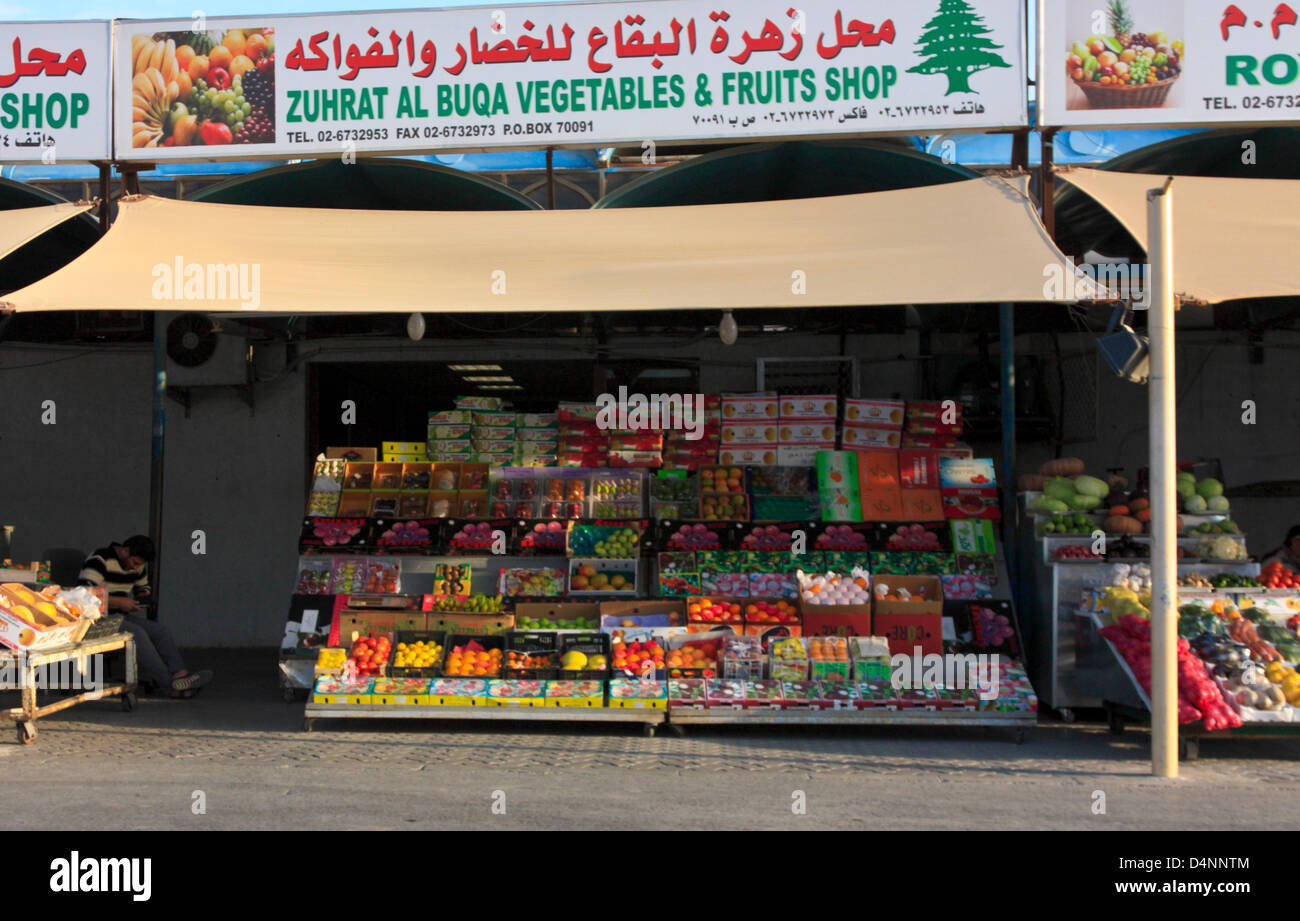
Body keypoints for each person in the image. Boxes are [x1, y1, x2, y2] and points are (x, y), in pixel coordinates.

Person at [78, 535, 212, 698]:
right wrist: (118, 602)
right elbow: (84, 594)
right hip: (95, 619)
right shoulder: (100, 559)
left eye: (139, 565)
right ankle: (170, 686)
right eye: (135, 563)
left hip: (120, 616)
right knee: (137, 634)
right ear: (125, 551)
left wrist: (141, 599)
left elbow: (143, 587)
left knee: (160, 631)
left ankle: (180, 676)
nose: (135, 568)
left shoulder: (137, 566)